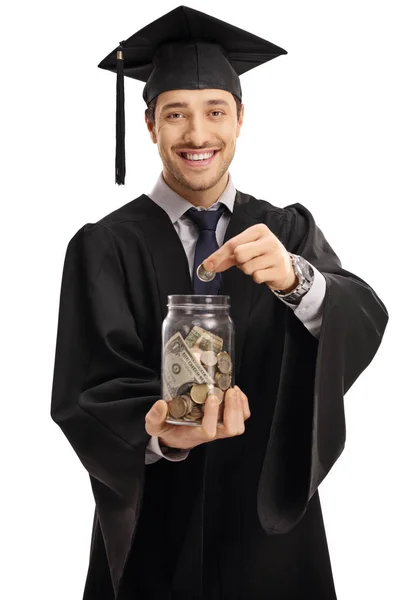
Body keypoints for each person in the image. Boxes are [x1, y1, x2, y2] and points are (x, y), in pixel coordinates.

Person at [50, 6, 389, 600]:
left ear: (240, 119)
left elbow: (363, 316)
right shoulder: (105, 244)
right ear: (151, 124)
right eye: (176, 114)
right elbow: (85, 390)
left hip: (272, 524)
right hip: (153, 528)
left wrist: (297, 280)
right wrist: (157, 432)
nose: (198, 135)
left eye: (215, 112)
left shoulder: (285, 230)